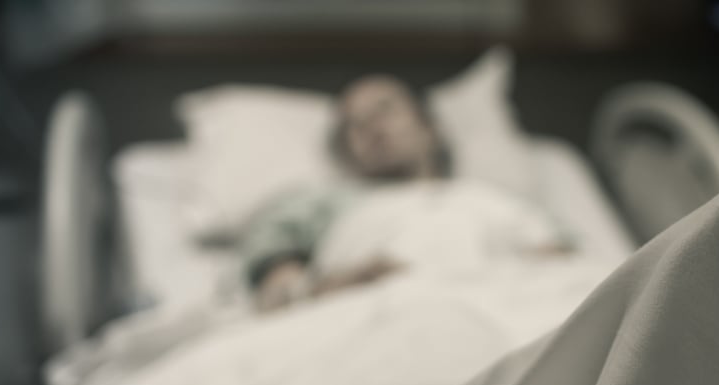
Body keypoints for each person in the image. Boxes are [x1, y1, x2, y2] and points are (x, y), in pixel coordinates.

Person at [240, 75, 570, 312]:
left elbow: (565, 278)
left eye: (385, 110)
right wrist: (330, 289)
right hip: (365, 319)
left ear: (431, 128)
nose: (371, 127)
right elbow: (277, 299)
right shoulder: (313, 206)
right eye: (354, 124)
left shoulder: (496, 202)